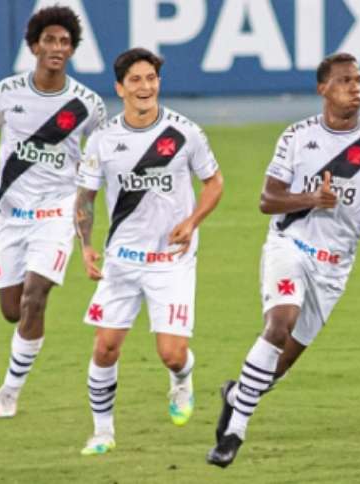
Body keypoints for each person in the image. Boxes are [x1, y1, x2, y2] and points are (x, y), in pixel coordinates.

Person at [206, 52, 360, 468]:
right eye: (345, 81)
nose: (356, 88)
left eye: (359, 81)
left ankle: (234, 395)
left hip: (334, 268)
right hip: (290, 246)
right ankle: (234, 434)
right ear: (323, 89)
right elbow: (267, 200)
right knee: (280, 323)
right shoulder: (296, 137)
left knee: (278, 367)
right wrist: (312, 199)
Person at [74, 48, 223, 456]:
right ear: (120, 88)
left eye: (151, 79)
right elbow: (85, 197)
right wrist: (86, 245)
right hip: (122, 260)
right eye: (136, 80)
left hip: (170, 260)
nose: (145, 87)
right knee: (105, 346)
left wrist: (192, 222)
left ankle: (182, 379)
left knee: (171, 354)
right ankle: (102, 432)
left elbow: (214, 184)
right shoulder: (103, 139)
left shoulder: (185, 132)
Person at [0, 6, 106, 418]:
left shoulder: (87, 105)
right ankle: (22, 354)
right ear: (34, 45)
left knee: (34, 298)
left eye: (65, 42)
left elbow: (95, 172)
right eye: (50, 39)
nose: (57, 47)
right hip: (10, 214)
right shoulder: (5, 92)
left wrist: (86, 235)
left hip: (56, 213)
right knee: (12, 309)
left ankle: (10, 391)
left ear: (72, 50)